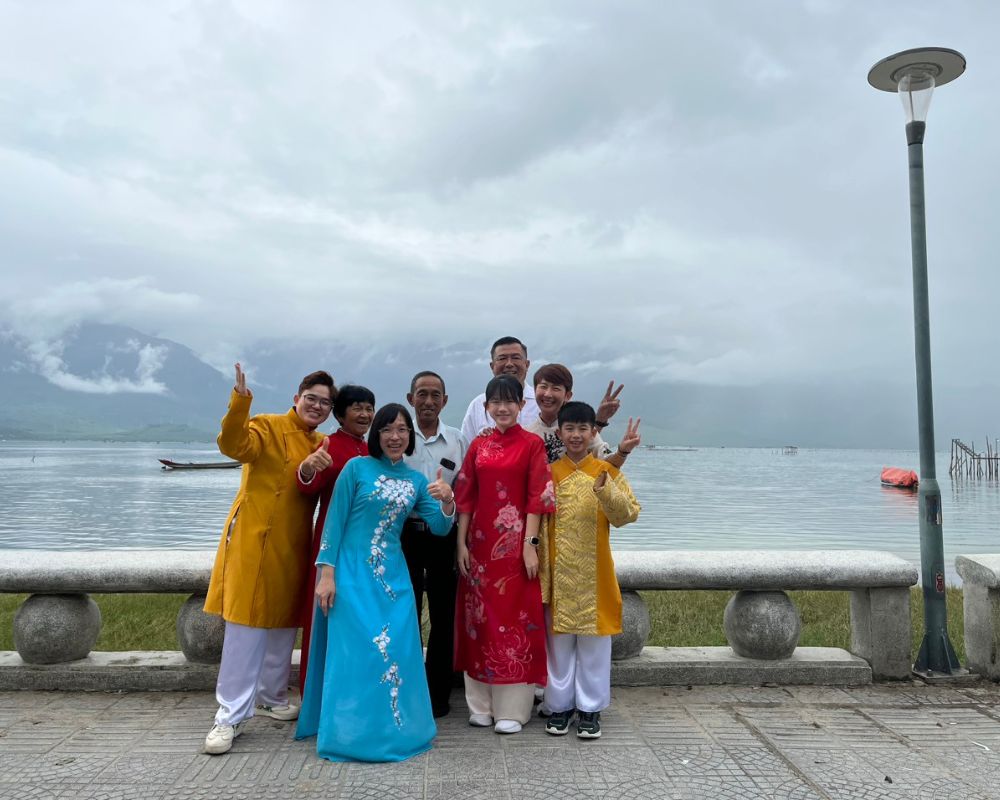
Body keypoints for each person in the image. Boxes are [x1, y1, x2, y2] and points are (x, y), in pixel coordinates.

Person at [295, 403, 457, 762]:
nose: (395, 436)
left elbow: (441, 527)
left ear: (410, 436)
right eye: (387, 430)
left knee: (397, 649)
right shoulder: (356, 469)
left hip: (394, 578)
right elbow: (333, 522)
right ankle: (350, 732)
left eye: (402, 430)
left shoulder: (416, 480)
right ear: (376, 435)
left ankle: (396, 727)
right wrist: (326, 573)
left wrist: (448, 502)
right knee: (358, 652)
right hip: (350, 573)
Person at [203, 364, 335, 755]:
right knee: (246, 626)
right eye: (311, 398)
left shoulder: (321, 443)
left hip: (295, 543)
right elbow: (233, 446)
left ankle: (272, 697)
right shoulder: (267, 426)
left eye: (325, 403)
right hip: (253, 538)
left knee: (281, 623)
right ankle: (228, 716)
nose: (316, 406)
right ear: (297, 398)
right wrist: (240, 402)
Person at [454, 375, 555, 734]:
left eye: (509, 401)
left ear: (521, 405)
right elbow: (465, 494)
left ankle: (513, 708)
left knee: (513, 621)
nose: (502, 408)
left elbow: (538, 498)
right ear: (485, 408)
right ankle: (480, 705)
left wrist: (530, 546)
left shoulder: (531, 445)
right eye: (495, 402)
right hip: (480, 549)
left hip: (515, 549)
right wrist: (461, 543)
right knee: (478, 621)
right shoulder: (479, 445)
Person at [539, 401, 641, 739]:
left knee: (595, 648)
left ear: (592, 432)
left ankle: (590, 709)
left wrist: (604, 490)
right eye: (570, 429)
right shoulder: (548, 473)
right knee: (559, 647)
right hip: (558, 574)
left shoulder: (607, 472)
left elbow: (627, 515)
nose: (576, 435)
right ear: (560, 433)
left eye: (583, 429)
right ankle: (559, 705)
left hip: (595, 573)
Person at [295, 385, 375, 694]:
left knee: (355, 619)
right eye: (357, 407)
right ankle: (315, 694)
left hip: (364, 548)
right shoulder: (328, 445)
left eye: (369, 407)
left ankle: (353, 690)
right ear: (340, 413)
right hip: (330, 543)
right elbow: (307, 487)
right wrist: (306, 469)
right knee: (323, 615)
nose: (365, 413)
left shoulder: (370, 451)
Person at [402, 371, 468, 718]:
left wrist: (451, 497)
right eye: (421, 394)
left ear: (445, 400)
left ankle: (439, 695)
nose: (428, 401)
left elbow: (470, 491)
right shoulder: (396, 437)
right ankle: (408, 690)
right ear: (410, 398)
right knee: (406, 614)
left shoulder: (457, 441)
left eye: (435, 395)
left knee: (444, 618)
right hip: (404, 537)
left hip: (444, 538)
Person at [525, 363, 628, 465]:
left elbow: (607, 458)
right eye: (543, 387)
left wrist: (623, 451)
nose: (547, 394)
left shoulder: (578, 429)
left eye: (555, 388)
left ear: (567, 396)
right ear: (534, 391)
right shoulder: (526, 433)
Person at [461, 336, 540, 441]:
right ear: (492, 366)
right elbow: (466, 447)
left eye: (516, 358)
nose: (509, 364)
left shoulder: (540, 402)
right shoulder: (478, 405)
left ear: (527, 364)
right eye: (502, 358)